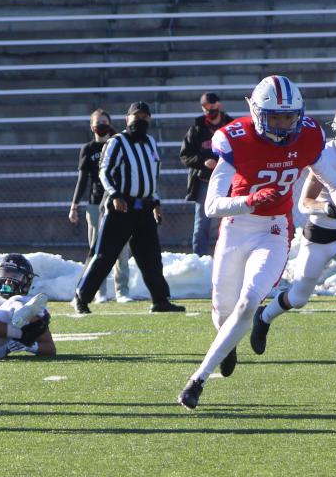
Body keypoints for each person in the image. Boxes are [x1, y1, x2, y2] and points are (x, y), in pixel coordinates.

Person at [177, 76, 336, 409]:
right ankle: (228, 342)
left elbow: (330, 181)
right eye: (274, 116)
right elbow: (211, 207)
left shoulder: (307, 136)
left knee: (249, 302)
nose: (282, 123)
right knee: (224, 313)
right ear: (257, 112)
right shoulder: (236, 139)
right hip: (236, 227)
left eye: (287, 116)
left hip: (274, 231)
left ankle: (197, 380)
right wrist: (250, 200)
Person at [248, 102, 336, 365]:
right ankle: (264, 316)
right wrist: (327, 207)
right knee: (299, 297)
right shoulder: (328, 156)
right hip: (320, 235)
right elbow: (305, 202)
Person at [72, 101, 185, 315]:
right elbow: (105, 172)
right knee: (105, 254)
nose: (140, 121)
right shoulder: (117, 142)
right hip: (120, 207)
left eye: (144, 117)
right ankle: (81, 297)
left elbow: (152, 177)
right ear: (127, 119)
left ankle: (160, 300)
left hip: (144, 208)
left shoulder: (151, 142)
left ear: (149, 119)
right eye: (136, 117)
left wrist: (156, 203)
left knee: (151, 257)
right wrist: (115, 195)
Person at [68, 110, 130, 301]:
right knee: (97, 248)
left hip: (117, 202)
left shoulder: (118, 144)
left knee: (121, 248)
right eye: (97, 122)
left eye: (104, 122)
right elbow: (83, 179)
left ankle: (122, 291)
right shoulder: (88, 149)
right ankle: (99, 291)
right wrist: (74, 204)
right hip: (95, 203)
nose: (101, 125)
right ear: (91, 126)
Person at [180, 92, 228, 257]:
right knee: (202, 223)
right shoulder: (196, 128)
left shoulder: (230, 125)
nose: (208, 109)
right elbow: (185, 155)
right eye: (205, 106)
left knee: (228, 221)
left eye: (211, 105)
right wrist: (203, 161)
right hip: (204, 181)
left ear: (219, 105)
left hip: (227, 182)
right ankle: (200, 260)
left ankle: (224, 257)